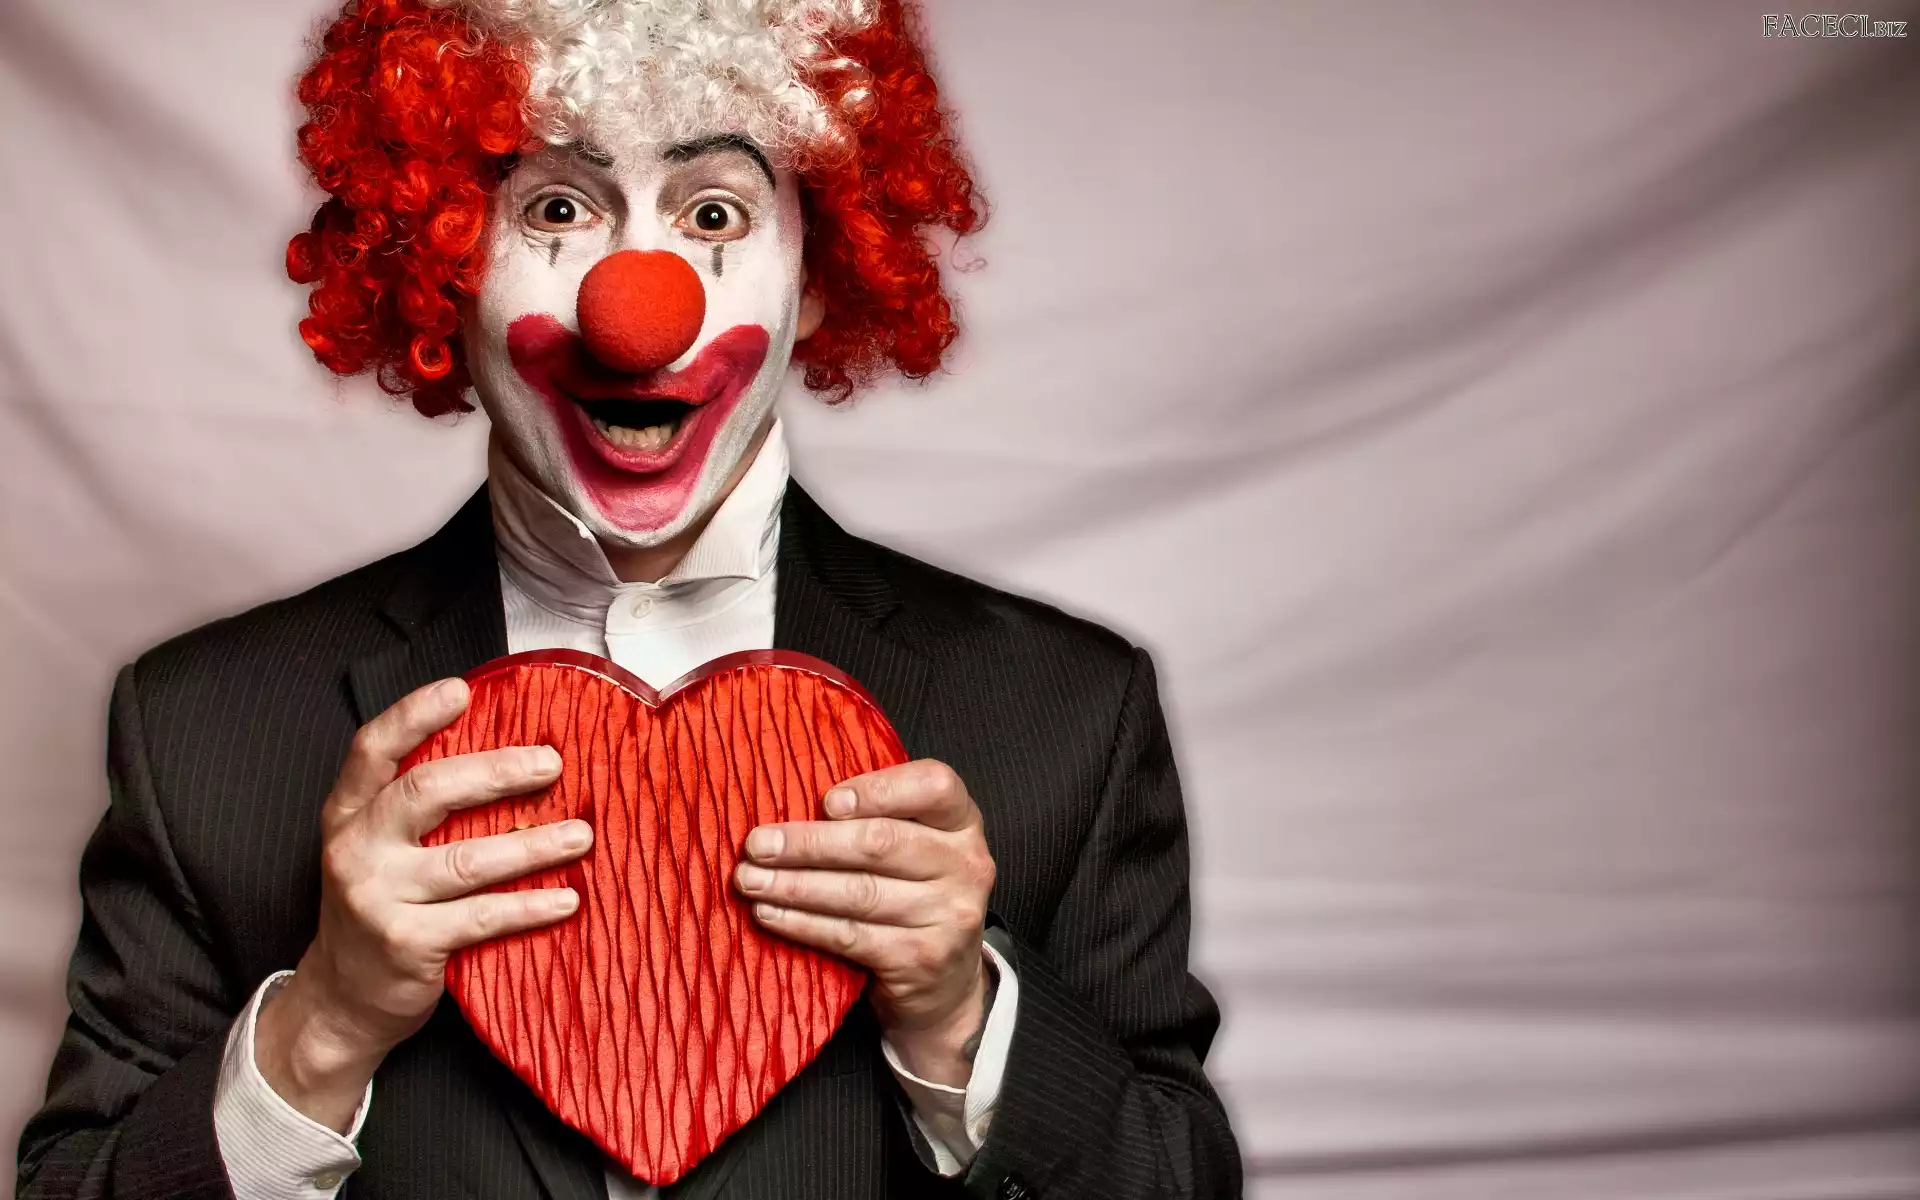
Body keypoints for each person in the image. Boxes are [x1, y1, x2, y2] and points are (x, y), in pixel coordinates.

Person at [15, 1, 1242, 1197]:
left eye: (714, 212)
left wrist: (964, 1022)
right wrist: (325, 1025)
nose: (638, 308)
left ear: (817, 271)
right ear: (446, 260)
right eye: (556, 207)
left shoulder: (1067, 715)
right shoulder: (203, 731)